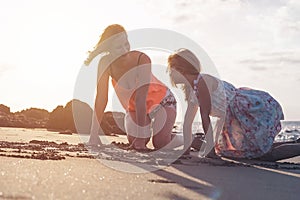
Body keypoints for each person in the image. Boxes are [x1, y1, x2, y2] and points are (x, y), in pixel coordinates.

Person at [167, 48, 300, 161]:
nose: (169, 73)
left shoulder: (203, 82)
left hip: (245, 112)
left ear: (181, 69)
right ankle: (295, 143)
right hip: (231, 118)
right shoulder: (192, 89)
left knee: (262, 153)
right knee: (246, 151)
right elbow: (187, 121)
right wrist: (185, 150)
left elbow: (205, 116)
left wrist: (210, 149)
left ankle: (296, 146)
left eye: (171, 69)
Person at [84, 24, 180, 151]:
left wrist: (140, 137)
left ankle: (191, 139)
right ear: (109, 49)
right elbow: (101, 98)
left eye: (126, 44)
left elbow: (141, 97)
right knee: (135, 140)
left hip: (162, 102)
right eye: (118, 47)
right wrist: (94, 135)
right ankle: (161, 134)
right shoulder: (105, 63)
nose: (124, 50)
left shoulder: (142, 59)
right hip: (135, 108)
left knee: (160, 142)